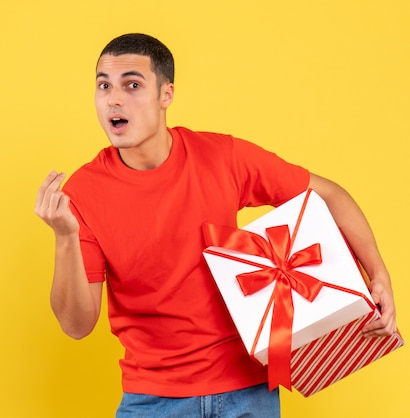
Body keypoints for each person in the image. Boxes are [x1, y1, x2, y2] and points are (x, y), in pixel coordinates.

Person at [34, 33, 397, 417]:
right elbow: (76, 325)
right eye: (104, 86)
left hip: (249, 393)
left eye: (132, 85)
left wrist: (378, 273)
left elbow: (331, 196)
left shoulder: (222, 158)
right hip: (153, 400)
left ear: (166, 95)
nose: (114, 98)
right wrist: (64, 237)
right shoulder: (84, 193)